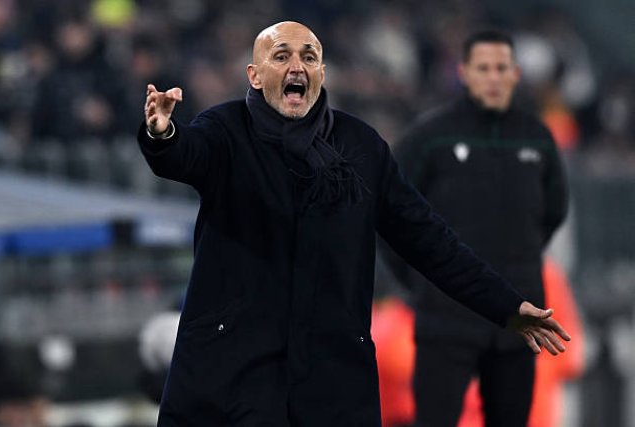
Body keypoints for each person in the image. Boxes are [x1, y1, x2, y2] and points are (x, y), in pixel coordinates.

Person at [138, 21, 570, 426]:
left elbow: (430, 241)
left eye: (309, 57)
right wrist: (162, 133)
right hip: (235, 369)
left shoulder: (361, 147)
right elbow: (185, 155)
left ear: (322, 73)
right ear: (254, 75)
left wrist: (506, 306)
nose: (296, 66)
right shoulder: (226, 130)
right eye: (282, 56)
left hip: (331, 377)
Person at [390, 29, 569, 426]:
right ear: (464, 73)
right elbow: (392, 214)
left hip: (518, 320)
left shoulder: (537, 138)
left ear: (515, 73)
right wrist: (421, 282)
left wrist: (518, 263)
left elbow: (552, 213)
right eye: (483, 68)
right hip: (445, 318)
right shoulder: (429, 137)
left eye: (501, 68)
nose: (493, 77)